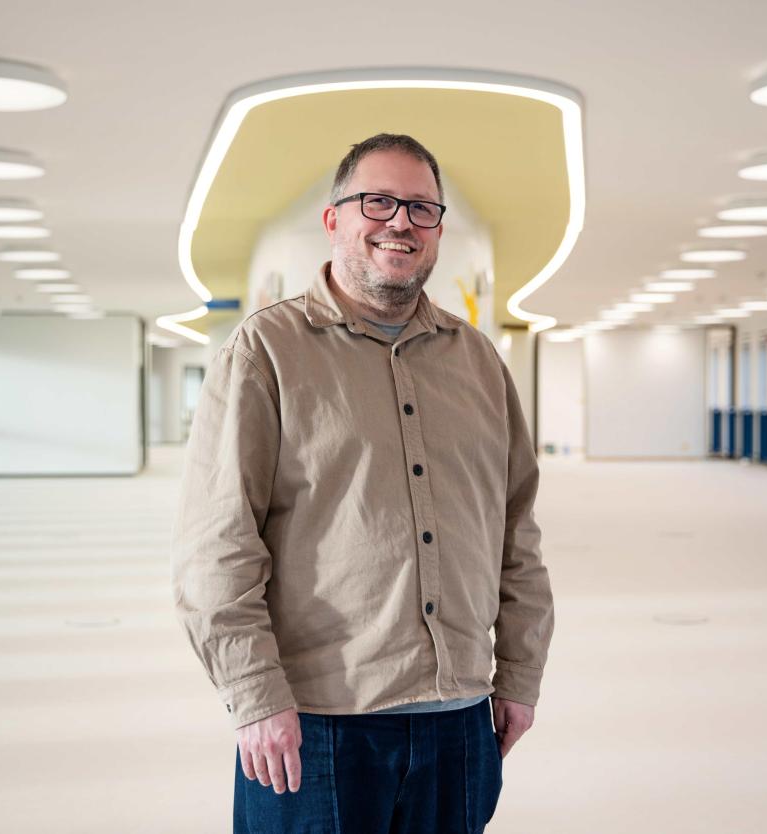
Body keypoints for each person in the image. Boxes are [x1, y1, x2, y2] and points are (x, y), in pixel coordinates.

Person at [172, 133, 554, 834]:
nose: (400, 222)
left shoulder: (479, 363)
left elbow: (517, 532)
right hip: (317, 726)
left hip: (460, 721)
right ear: (334, 219)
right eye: (377, 202)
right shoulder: (265, 352)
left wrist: (520, 676)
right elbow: (217, 545)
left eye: (422, 208)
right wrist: (254, 696)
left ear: (437, 229)